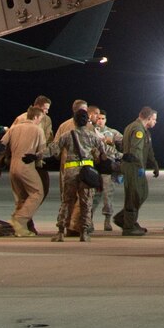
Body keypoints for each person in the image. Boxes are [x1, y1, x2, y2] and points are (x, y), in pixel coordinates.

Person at [0, 98, 53, 236]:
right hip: (27, 165)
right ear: (36, 116)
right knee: (37, 193)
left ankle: (20, 229)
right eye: (41, 117)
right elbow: (41, 152)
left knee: (22, 196)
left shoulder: (15, 127)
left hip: (13, 165)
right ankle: (18, 219)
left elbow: (2, 143)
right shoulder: (37, 129)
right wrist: (40, 162)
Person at [52, 100, 99, 241]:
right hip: (85, 170)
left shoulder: (63, 127)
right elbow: (100, 149)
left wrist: (37, 156)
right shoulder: (90, 129)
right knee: (86, 202)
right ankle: (82, 231)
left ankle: (61, 231)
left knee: (67, 201)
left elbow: (54, 149)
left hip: (68, 168)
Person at [115, 105, 159, 235]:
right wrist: (140, 168)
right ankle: (128, 226)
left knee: (141, 194)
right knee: (134, 196)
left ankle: (127, 219)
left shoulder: (142, 130)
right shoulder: (137, 129)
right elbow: (136, 151)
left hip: (135, 166)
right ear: (149, 118)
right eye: (154, 119)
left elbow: (148, 150)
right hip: (133, 166)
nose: (155, 122)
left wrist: (154, 164)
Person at [85, 105, 120, 232]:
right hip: (94, 168)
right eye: (98, 118)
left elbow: (124, 141)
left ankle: (107, 221)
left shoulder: (112, 132)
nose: (100, 120)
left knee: (107, 196)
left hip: (107, 169)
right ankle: (89, 221)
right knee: (92, 196)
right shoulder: (90, 131)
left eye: (103, 118)